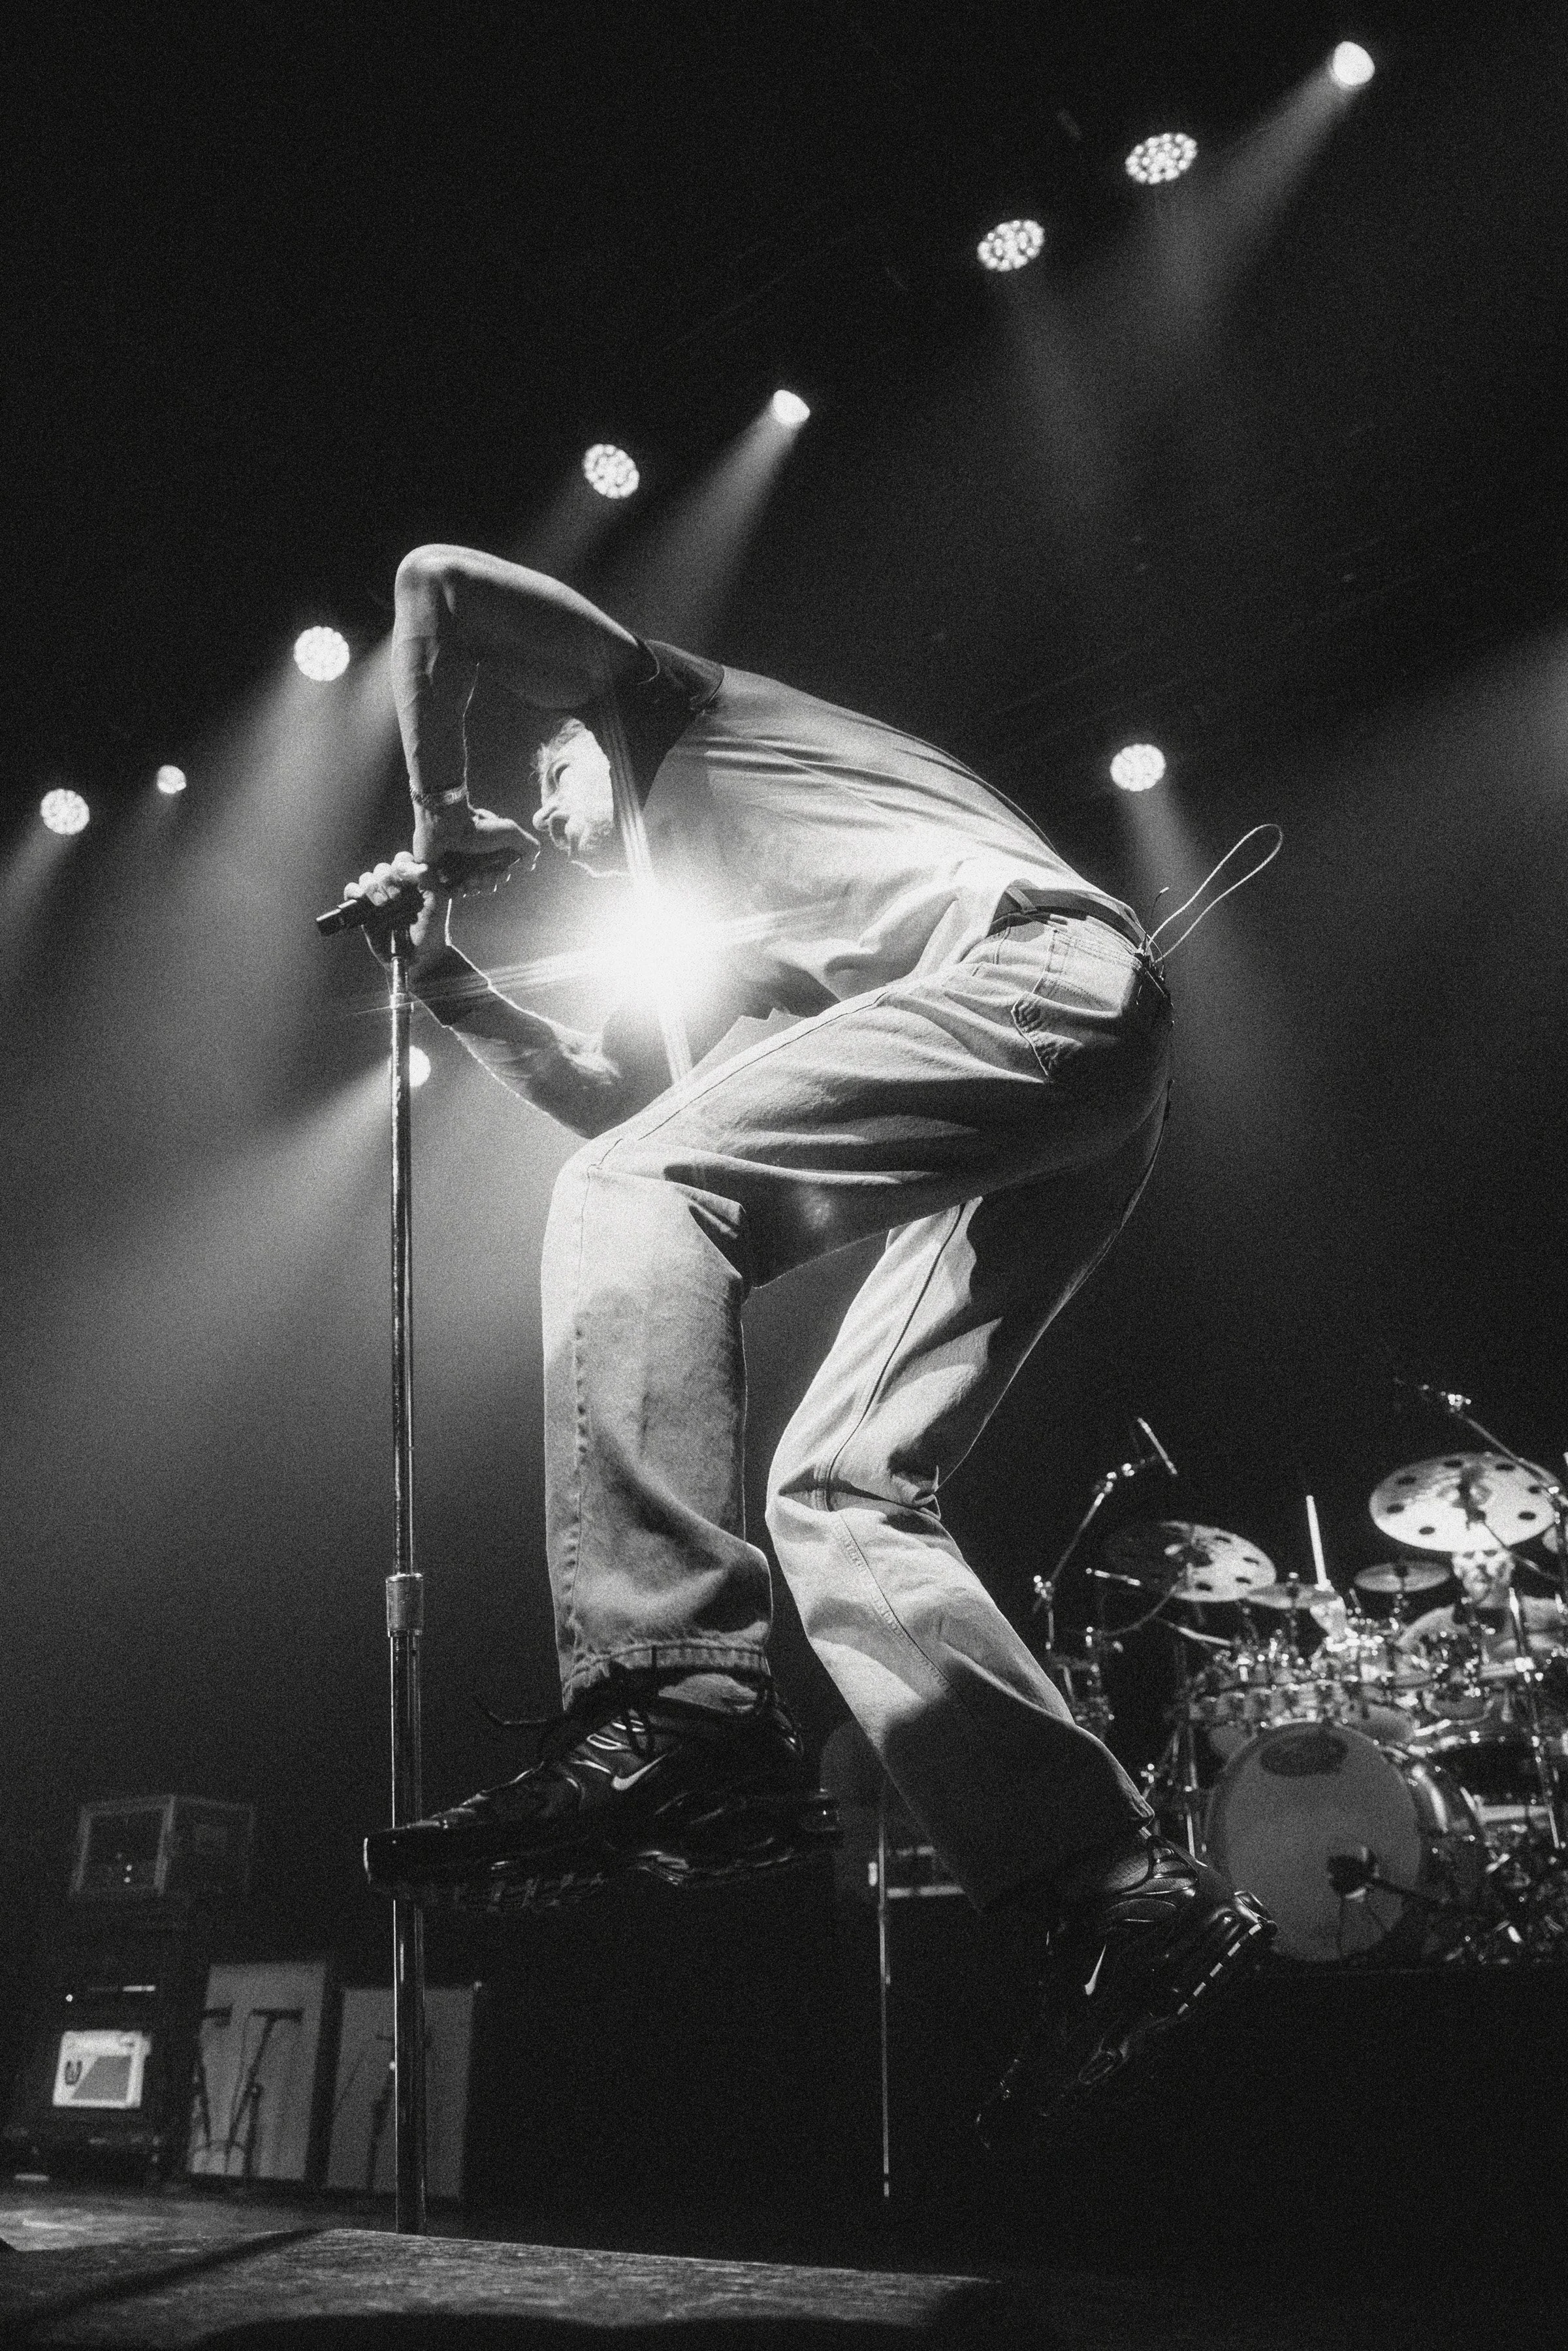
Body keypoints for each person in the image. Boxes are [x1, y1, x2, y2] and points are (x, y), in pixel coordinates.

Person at [346, 544, 1272, 2140]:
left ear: (581, 739)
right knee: (836, 1487)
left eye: (550, 785)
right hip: (1073, 1069)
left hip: (1037, 981)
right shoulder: (731, 921)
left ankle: (678, 1696)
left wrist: (440, 819)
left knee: (637, 1193)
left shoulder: (667, 714)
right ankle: (1120, 1887)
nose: (550, 822)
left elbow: (438, 588)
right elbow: (632, 1115)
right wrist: (444, 978)